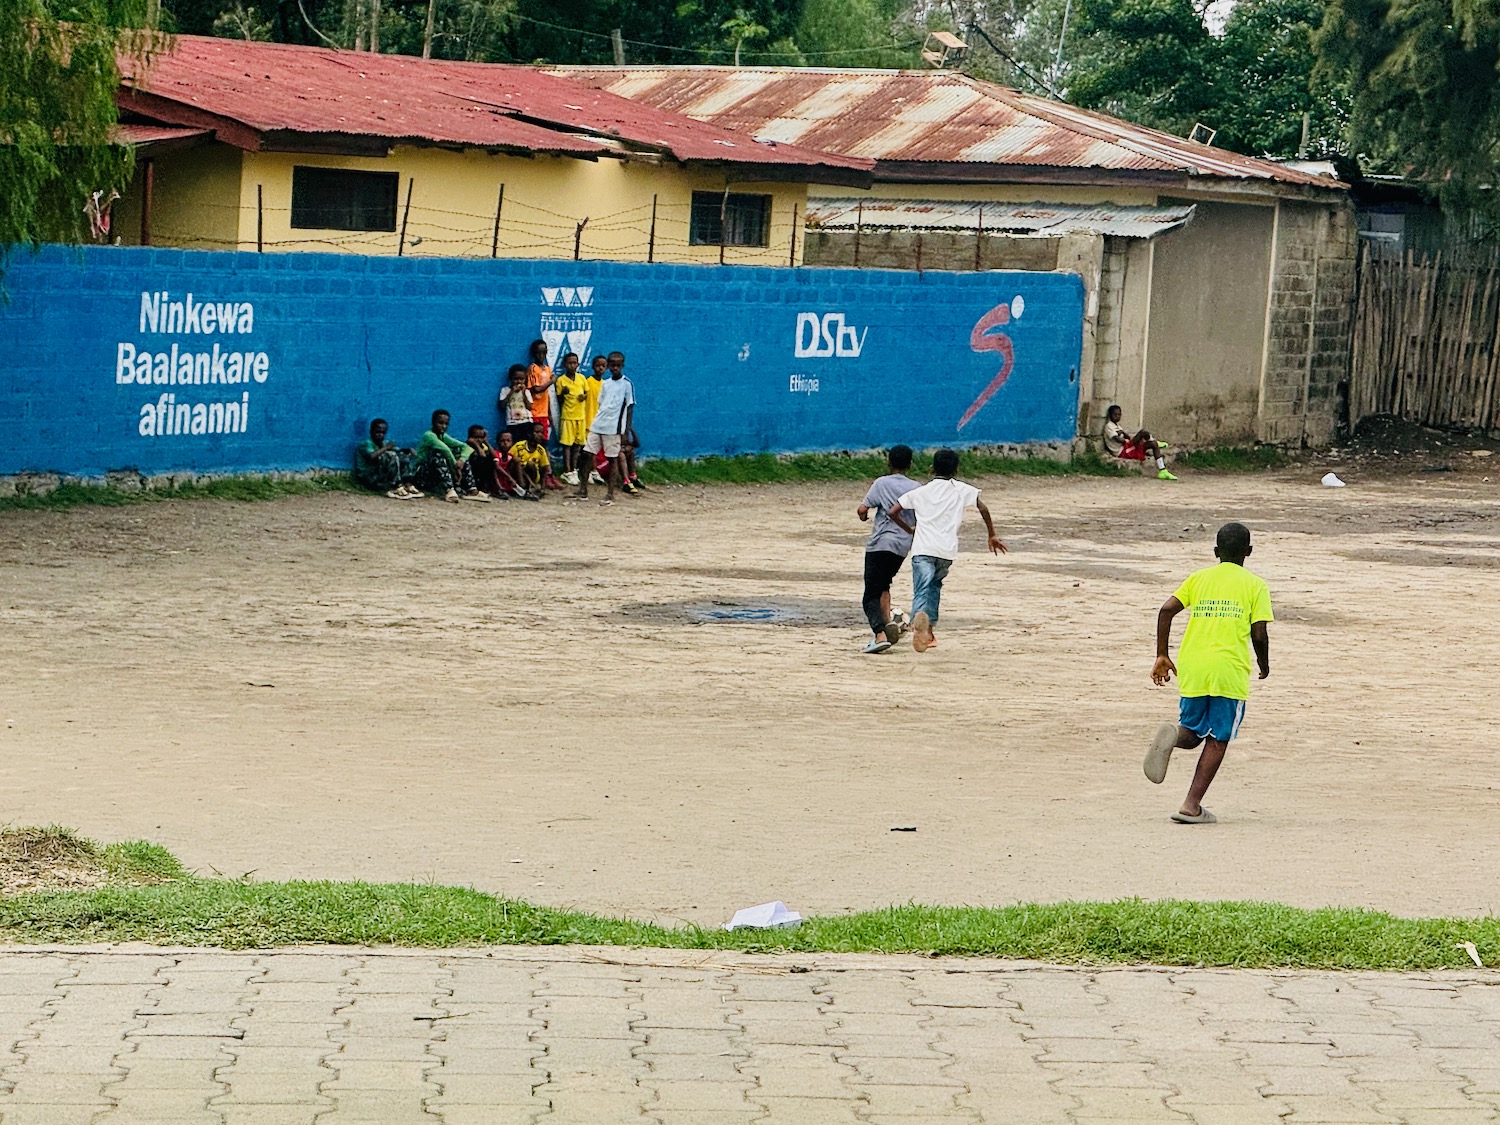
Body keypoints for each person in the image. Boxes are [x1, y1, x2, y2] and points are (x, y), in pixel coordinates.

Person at [1146, 522, 1272, 824]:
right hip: (1228, 670)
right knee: (1217, 738)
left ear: (1216, 551)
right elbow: (1259, 635)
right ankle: (1191, 805)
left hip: (1193, 666)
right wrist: (1264, 664)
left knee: (1192, 732)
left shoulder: (1198, 578)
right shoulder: (1255, 585)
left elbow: (1166, 610)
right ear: (1249, 552)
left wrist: (1162, 654)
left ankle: (1174, 735)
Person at [887, 448, 1006, 653]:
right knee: (934, 587)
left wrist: (910, 530)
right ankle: (929, 632)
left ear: (932, 468)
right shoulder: (962, 490)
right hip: (946, 551)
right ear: (957, 469)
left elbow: (893, 511)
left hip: (923, 548)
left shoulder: (920, 492)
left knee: (922, 588)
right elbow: (983, 508)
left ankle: (918, 622)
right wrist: (991, 535)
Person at [856, 445, 919, 654]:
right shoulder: (917, 487)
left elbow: (863, 509)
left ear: (888, 462)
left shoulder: (881, 483)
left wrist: (864, 517)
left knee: (869, 595)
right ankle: (888, 622)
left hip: (880, 543)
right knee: (884, 584)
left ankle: (879, 634)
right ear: (910, 464)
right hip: (902, 546)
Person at [574, 350, 634, 505]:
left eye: (617, 366)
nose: (614, 368)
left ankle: (610, 494)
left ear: (622, 366)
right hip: (598, 425)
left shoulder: (627, 385)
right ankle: (583, 490)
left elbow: (629, 408)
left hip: (613, 429)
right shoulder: (606, 384)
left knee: (612, 459)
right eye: (612, 365)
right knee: (587, 454)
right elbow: (601, 404)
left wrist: (625, 431)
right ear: (608, 366)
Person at [415, 409, 489, 502]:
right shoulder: (429, 435)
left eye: (446, 424)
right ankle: (449, 489)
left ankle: (471, 489)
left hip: (436, 475)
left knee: (460, 453)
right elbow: (445, 450)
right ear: (433, 422)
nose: (443, 426)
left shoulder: (443, 436)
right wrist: (456, 469)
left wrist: (461, 460)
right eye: (440, 423)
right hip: (421, 474)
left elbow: (466, 447)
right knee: (438, 453)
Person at [1103, 404, 1175, 480]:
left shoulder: (1117, 426)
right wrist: (1126, 440)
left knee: (1153, 444)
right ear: (1110, 415)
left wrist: (1124, 434)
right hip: (1122, 451)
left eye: (1119, 414)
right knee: (1143, 432)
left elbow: (1126, 436)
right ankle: (1153, 440)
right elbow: (1116, 438)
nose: (1117, 416)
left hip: (1128, 448)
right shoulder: (1109, 426)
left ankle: (1162, 470)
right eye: (1115, 414)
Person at [354, 418, 420, 499]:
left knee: (403, 456)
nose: (380, 435)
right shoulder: (366, 444)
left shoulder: (382, 443)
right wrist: (386, 447)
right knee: (390, 455)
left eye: (383, 433)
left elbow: (397, 450)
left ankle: (406, 483)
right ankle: (397, 486)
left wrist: (407, 450)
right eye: (378, 432)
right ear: (371, 431)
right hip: (369, 477)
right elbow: (372, 456)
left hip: (379, 475)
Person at [555, 352, 589, 486]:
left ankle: (574, 469)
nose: (572, 365)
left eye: (574, 363)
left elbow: (586, 393)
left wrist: (583, 397)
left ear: (578, 364)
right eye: (569, 363)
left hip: (580, 417)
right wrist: (563, 393)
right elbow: (559, 400)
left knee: (578, 445)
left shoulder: (582, 378)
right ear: (565, 365)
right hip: (568, 417)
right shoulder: (561, 380)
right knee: (567, 445)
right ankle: (567, 471)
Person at [466, 424, 525, 499]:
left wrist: (486, 442)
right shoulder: (468, 446)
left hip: (481, 475)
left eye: (481, 437)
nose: (479, 440)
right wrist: (475, 444)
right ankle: (495, 488)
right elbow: (482, 455)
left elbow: (494, 456)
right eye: (476, 437)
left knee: (492, 460)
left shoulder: (483, 446)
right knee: (488, 461)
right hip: (472, 475)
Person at [509, 421, 551, 496]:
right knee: (516, 461)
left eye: (541, 432)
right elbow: (509, 460)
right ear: (529, 433)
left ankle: (529, 487)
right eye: (537, 432)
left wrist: (543, 488)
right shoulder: (519, 446)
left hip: (532, 475)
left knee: (530, 464)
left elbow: (544, 470)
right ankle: (522, 487)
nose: (540, 435)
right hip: (517, 475)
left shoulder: (541, 450)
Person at [584, 355, 608, 484]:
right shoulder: (588, 382)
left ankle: (594, 471)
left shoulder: (605, 385)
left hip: (600, 422)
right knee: (588, 450)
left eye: (603, 366)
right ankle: (588, 472)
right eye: (598, 366)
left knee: (595, 450)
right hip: (588, 420)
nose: (600, 368)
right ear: (593, 367)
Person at [495, 430, 538, 501]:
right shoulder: (496, 454)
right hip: (499, 480)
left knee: (518, 462)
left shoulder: (511, 456)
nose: (505, 443)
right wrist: (509, 478)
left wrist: (530, 481)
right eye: (502, 441)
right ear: (498, 442)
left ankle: (523, 488)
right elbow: (497, 468)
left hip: (510, 482)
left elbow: (521, 469)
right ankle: (499, 490)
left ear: (512, 443)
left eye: (508, 441)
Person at [499, 364, 533, 443]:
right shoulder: (505, 390)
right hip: (512, 424)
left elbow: (529, 407)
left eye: (522, 379)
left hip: (526, 422)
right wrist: (511, 392)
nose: (519, 381)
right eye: (516, 379)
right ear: (510, 379)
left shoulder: (526, 391)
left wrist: (524, 393)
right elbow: (502, 406)